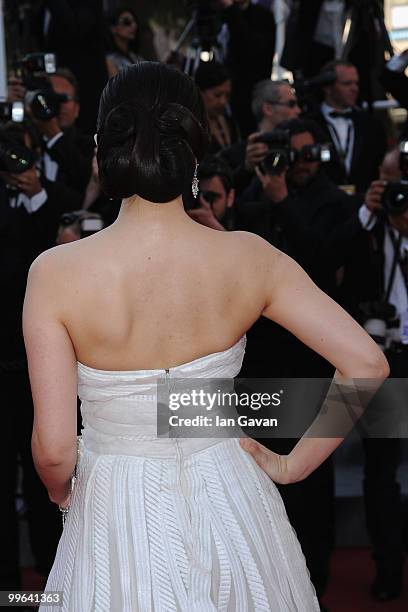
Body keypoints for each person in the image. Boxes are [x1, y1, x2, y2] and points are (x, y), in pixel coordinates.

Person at [22, 62, 388, 611]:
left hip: (114, 504)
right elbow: (366, 363)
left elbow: (53, 450)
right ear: (193, 148)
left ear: (104, 146)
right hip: (233, 497)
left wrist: (61, 494)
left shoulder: (55, 273)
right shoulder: (248, 256)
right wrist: (293, 465)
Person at [307, 60, 387, 194]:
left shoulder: (372, 125)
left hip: (364, 201)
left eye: (356, 83)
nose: (354, 88)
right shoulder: (310, 123)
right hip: (323, 203)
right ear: (327, 87)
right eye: (347, 84)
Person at [221, 79, 301, 195]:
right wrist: (246, 168)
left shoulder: (299, 145)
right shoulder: (234, 155)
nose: (298, 111)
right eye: (291, 104)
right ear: (268, 109)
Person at [195, 61, 240, 153]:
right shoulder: (192, 128)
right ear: (200, 92)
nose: (223, 102)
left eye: (227, 95)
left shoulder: (230, 122)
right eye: (217, 95)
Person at [187, 156, 236, 231]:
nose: (204, 204)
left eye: (212, 197)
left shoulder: (248, 219)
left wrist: (216, 228)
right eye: (196, 195)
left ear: (230, 197)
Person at [106, 5, 144, 78]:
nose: (134, 25)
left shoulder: (136, 57)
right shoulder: (109, 60)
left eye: (134, 21)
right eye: (127, 22)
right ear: (113, 28)